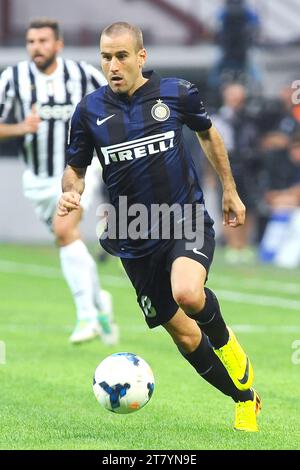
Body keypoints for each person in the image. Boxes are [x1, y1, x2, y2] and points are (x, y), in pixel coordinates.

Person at [58, 22, 261, 431]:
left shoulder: (176, 92)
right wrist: (72, 191)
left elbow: (208, 135)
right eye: (105, 57)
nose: (112, 65)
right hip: (133, 235)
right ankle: (245, 399)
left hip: (183, 217)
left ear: (141, 57)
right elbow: (75, 169)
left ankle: (229, 347)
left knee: (188, 292)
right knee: (185, 336)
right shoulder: (89, 111)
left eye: (121, 56)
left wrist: (229, 189)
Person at [0, 18, 119, 345]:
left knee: (66, 232)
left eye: (43, 41)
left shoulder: (82, 74)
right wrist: (19, 128)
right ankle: (99, 300)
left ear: (58, 44)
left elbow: (116, 102)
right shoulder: (13, 80)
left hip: (81, 170)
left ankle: (87, 316)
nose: (36, 47)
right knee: (70, 242)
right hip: (38, 179)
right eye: (31, 42)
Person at [212, 83, 260, 264]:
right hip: (226, 166)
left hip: (248, 168)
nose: (237, 100)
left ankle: (244, 245)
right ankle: (233, 245)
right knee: (228, 207)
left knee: (249, 205)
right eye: (233, 95)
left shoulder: (249, 118)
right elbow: (210, 148)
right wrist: (211, 174)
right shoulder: (218, 119)